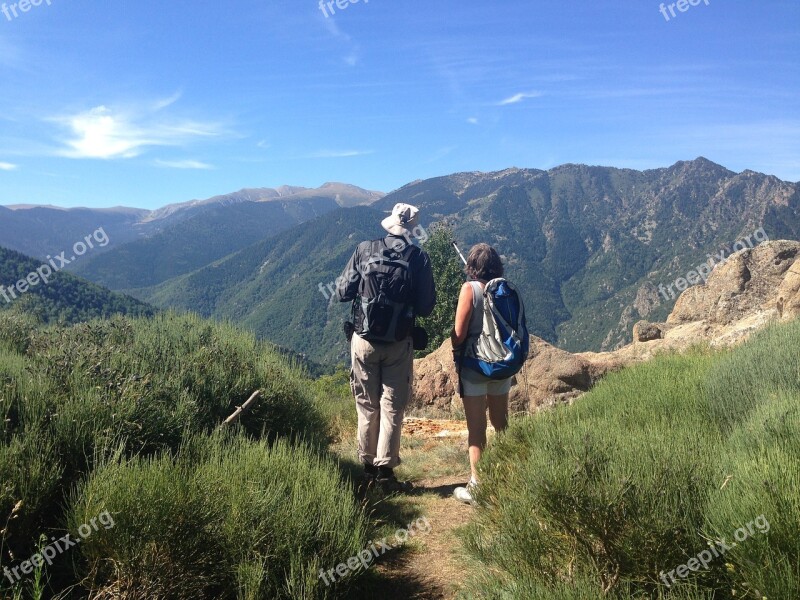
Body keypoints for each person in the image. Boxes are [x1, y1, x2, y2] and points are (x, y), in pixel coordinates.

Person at [335, 203, 436, 492]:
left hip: (363, 341)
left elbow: (343, 292)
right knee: (392, 406)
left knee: (366, 404)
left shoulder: (365, 249)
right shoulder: (419, 258)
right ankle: (386, 473)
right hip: (399, 342)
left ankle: (366, 469)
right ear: (411, 228)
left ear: (390, 224)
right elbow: (427, 306)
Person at [451, 243, 511, 505]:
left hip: (475, 367)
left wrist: (455, 348)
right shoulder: (504, 289)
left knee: (477, 429)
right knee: (502, 424)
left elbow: (459, 333)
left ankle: (478, 487)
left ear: (472, 266)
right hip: (502, 365)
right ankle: (512, 477)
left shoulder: (470, 289)